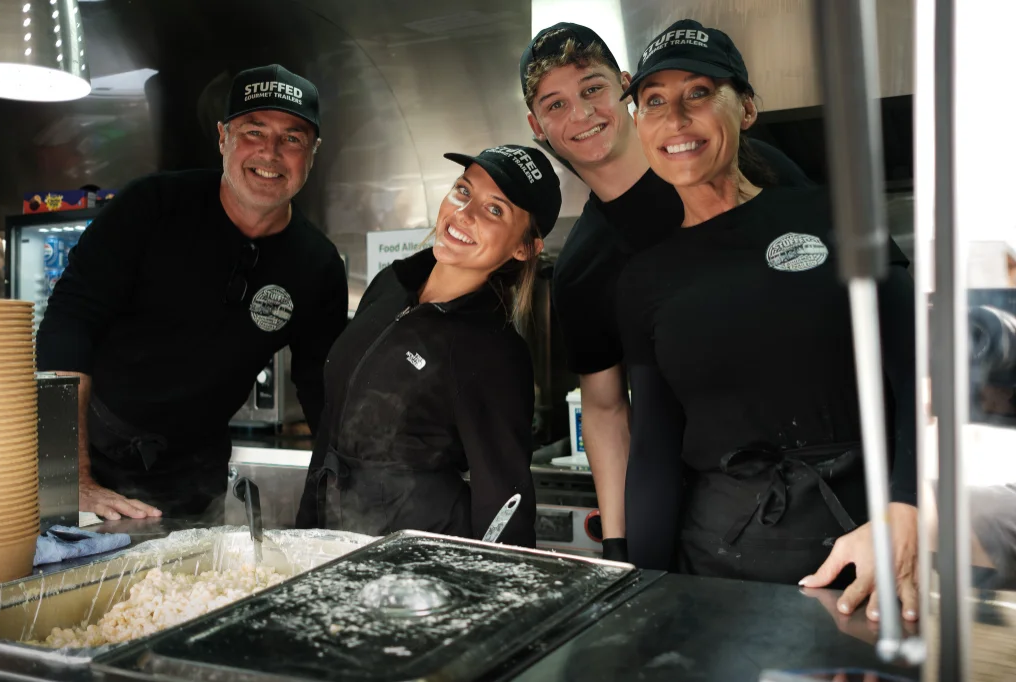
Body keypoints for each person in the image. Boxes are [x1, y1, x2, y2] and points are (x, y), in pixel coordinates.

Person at [618, 19, 919, 620]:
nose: (675, 118)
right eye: (653, 101)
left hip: (863, 550)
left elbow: (920, 374)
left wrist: (907, 508)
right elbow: (653, 449)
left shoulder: (833, 213)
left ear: (747, 108)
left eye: (699, 93)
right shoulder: (641, 280)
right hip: (717, 564)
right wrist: (638, 597)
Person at [519, 23, 812, 560]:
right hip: (703, 508)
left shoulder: (749, 164)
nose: (581, 114)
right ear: (537, 126)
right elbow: (606, 411)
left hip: (825, 468)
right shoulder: (582, 268)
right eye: (555, 104)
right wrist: (619, 545)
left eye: (591, 89)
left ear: (625, 87)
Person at [37, 64, 347, 522]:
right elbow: (68, 325)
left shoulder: (317, 265)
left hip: (195, 474)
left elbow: (323, 389)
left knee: (187, 569)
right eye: (253, 131)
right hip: (90, 450)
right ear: (223, 138)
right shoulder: (151, 208)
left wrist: (345, 499)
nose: (270, 152)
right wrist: (70, 478)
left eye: (292, 138)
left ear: (313, 153)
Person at [295, 145, 561, 547]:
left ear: (524, 248)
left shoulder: (492, 352)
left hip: (417, 562)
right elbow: (329, 430)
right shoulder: (390, 285)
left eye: (495, 210)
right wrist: (303, 540)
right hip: (335, 545)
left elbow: (504, 505)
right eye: (463, 190)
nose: (464, 213)